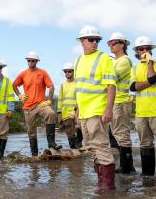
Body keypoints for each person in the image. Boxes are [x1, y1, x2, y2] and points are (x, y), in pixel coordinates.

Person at [74, 25, 116, 190]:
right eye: (91, 40)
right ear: (82, 41)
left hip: (98, 111)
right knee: (92, 149)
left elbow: (111, 86)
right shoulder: (78, 61)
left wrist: (109, 109)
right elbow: (80, 88)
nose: (95, 43)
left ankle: (108, 190)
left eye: (97, 40)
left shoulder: (104, 58)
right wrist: (77, 110)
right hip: (84, 113)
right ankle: (101, 186)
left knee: (101, 148)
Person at [13, 51, 61, 156]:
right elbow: (14, 85)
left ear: (37, 61)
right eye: (29, 60)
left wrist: (49, 101)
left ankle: (51, 143)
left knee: (51, 113)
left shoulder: (42, 72)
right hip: (28, 107)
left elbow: (51, 86)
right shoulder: (23, 73)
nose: (30, 62)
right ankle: (34, 154)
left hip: (41, 104)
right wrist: (19, 95)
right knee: (31, 131)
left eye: (32, 60)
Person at [107, 32, 136, 174]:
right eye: (109, 43)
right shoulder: (115, 61)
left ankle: (127, 167)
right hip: (115, 101)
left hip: (121, 101)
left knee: (122, 134)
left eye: (113, 43)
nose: (110, 46)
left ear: (122, 44)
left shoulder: (124, 60)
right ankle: (126, 166)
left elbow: (112, 78)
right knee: (117, 133)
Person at [130, 36, 156, 176]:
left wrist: (150, 62)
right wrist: (150, 81)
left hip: (155, 112)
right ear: (137, 51)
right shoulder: (135, 68)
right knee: (145, 145)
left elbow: (152, 76)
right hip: (141, 114)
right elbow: (133, 87)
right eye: (141, 49)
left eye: (147, 48)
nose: (145, 51)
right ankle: (148, 176)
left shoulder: (155, 64)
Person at [57, 62, 82, 149]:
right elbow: (60, 99)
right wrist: (59, 113)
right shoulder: (63, 85)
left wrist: (77, 111)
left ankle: (79, 145)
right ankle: (73, 148)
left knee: (79, 129)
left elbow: (80, 98)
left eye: (69, 71)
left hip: (77, 111)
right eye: (66, 71)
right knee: (69, 132)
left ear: (73, 72)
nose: (67, 73)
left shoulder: (78, 83)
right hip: (66, 112)